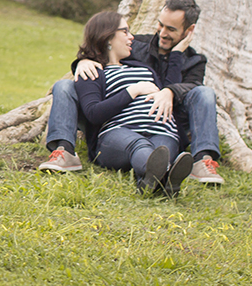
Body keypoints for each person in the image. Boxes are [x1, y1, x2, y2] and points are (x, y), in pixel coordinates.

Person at [37, 0, 225, 184]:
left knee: (203, 95)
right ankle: (64, 150)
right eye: (161, 25)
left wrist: (174, 68)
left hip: (165, 121)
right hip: (119, 124)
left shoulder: (193, 61)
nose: (162, 33)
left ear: (189, 30)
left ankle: (195, 164)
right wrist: (83, 61)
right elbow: (101, 50)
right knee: (65, 86)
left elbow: (179, 86)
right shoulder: (136, 46)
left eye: (171, 29)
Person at [43, 11, 191, 194]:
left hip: (162, 129)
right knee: (140, 146)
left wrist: (176, 54)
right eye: (125, 32)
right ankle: (165, 179)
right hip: (119, 134)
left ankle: (151, 182)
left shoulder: (143, 68)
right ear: (107, 37)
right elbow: (93, 113)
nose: (132, 37)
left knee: (163, 151)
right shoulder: (94, 72)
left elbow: (171, 89)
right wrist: (133, 90)